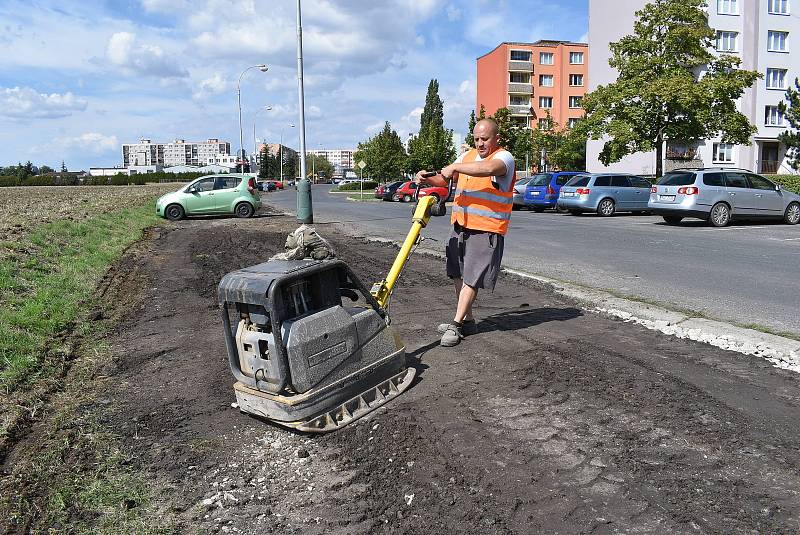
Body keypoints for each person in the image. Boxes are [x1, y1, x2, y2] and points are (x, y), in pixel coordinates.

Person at [415, 118, 516, 347]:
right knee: (458, 273)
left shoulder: (503, 158)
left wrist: (456, 167)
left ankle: (456, 323)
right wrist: (426, 177)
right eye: (476, 139)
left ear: (496, 138)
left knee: (472, 277)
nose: (480, 143)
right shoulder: (467, 157)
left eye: (485, 139)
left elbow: (488, 169)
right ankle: (468, 320)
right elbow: (446, 178)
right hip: (461, 224)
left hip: (486, 228)